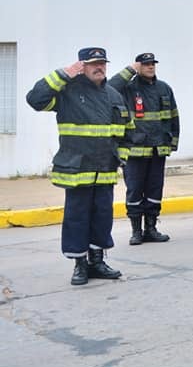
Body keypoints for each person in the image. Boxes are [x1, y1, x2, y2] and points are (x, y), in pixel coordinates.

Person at [26, 47, 127, 285]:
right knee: (77, 217)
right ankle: (79, 265)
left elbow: (125, 131)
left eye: (102, 63)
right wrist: (63, 74)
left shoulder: (114, 95)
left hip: (104, 169)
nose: (99, 67)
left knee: (102, 217)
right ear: (81, 66)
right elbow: (35, 100)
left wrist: (120, 158)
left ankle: (97, 261)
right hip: (77, 169)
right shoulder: (67, 92)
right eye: (93, 63)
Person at [108, 52, 179, 245]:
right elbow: (109, 87)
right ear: (139, 67)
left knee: (155, 190)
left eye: (152, 64)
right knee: (135, 190)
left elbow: (173, 116)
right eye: (146, 64)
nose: (150, 67)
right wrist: (130, 70)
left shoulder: (164, 88)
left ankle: (151, 228)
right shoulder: (128, 88)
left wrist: (173, 142)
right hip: (134, 151)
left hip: (158, 150)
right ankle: (136, 231)